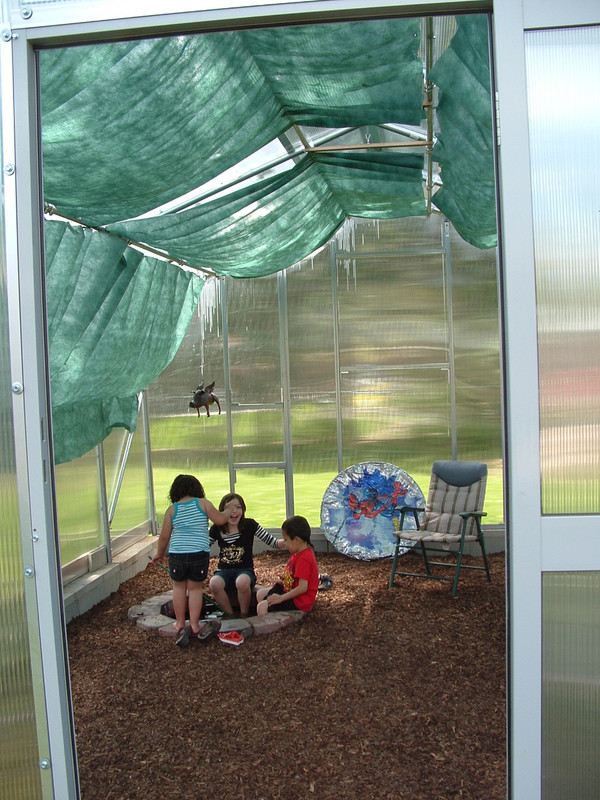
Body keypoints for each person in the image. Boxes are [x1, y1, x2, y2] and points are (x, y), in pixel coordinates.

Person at [152, 474, 231, 646]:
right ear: (197, 488)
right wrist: (227, 512)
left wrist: (159, 553)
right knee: (195, 589)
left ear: (175, 491)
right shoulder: (203, 503)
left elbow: (164, 536)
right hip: (198, 553)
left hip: (177, 554)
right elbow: (219, 520)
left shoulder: (172, 510)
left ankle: (180, 623)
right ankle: (194, 624)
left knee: (179, 588)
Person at [208, 493, 286, 617]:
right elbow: (203, 546)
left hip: (245, 570)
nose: (234, 512)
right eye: (229, 508)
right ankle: (229, 615)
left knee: (242, 582)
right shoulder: (217, 529)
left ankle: (244, 615)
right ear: (222, 511)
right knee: (214, 583)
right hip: (224, 571)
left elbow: (273, 542)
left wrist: (288, 540)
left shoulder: (249, 525)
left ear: (243, 510)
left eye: (238, 507)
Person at [256, 515, 319, 615]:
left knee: (261, 607)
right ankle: (271, 612)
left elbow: (303, 588)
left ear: (297, 540)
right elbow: (295, 578)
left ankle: (269, 627)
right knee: (260, 594)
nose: (284, 543)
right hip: (290, 591)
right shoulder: (297, 552)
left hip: (299, 601)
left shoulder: (304, 558)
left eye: (286, 539)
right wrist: (284, 582)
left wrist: (280, 598)